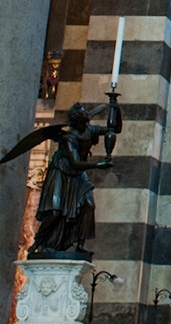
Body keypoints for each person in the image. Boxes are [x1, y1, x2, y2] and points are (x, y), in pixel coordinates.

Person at [27, 102, 117, 253]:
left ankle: (80, 245)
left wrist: (116, 108)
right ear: (77, 119)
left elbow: (113, 130)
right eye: (83, 113)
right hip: (61, 171)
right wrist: (98, 165)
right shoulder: (69, 137)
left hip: (78, 174)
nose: (86, 114)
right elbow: (75, 162)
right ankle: (39, 240)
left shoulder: (89, 130)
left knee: (88, 205)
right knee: (55, 212)